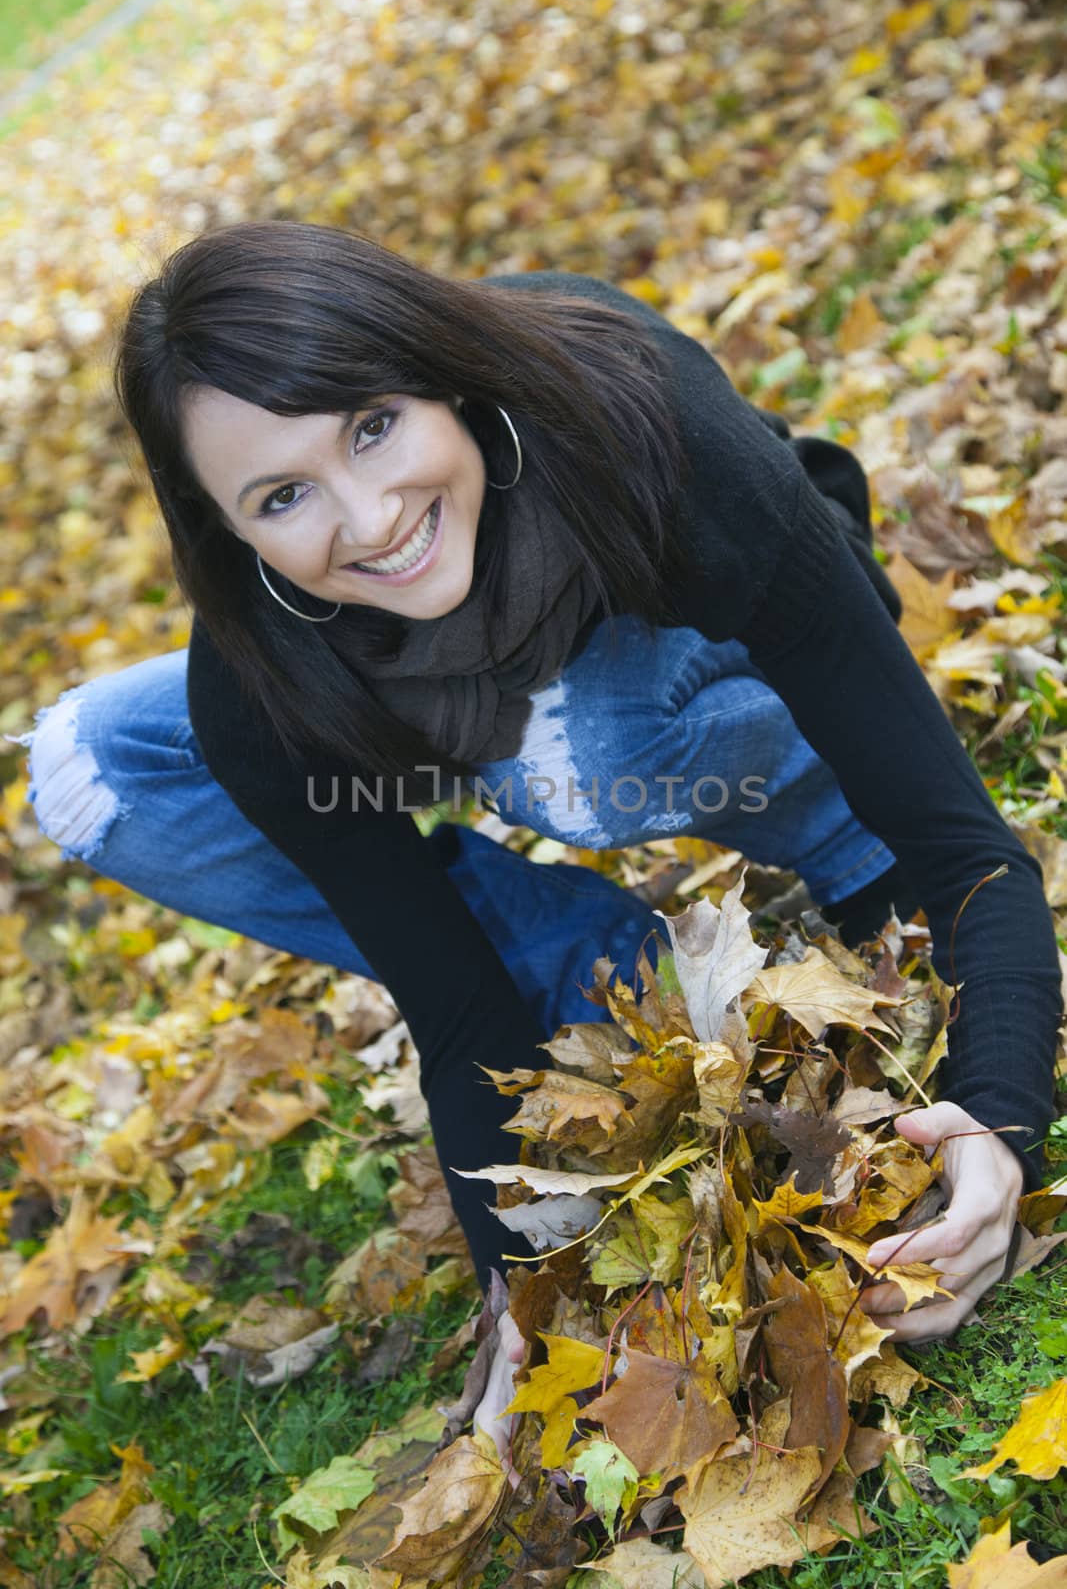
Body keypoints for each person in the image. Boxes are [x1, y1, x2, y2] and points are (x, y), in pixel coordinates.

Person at [20, 221, 1063, 1356]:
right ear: (220, 529)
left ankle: (834, 829)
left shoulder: (641, 415)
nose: (369, 519)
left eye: (373, 427)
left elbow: (966, 852)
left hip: (719, 654)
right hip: (460, 714)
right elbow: (451, 1003)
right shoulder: (260, 667)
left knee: (580, 750)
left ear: (438, 373)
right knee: (94, 757)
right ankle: (590, 965)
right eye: (279, 497)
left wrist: (997, 1125)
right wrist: (513, 1296)